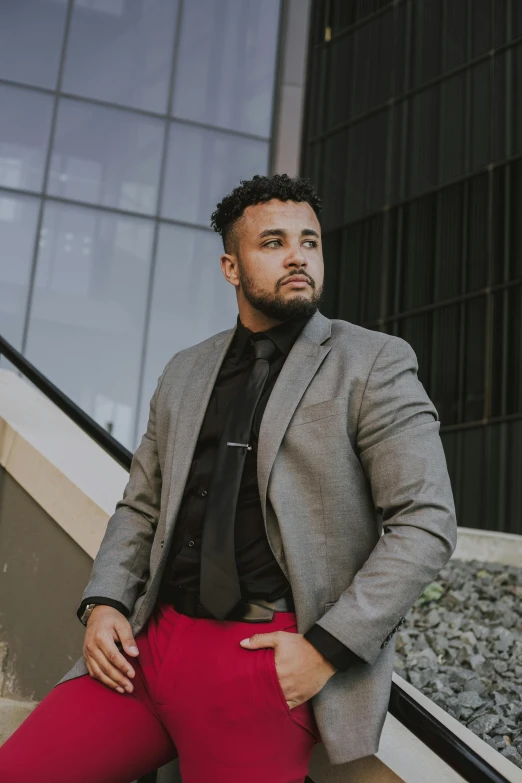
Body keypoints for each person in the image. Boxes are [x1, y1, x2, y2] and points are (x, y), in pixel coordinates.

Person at [0, 174, 457, 783]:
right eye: (273, 242)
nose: (298, 255)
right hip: (147, 649)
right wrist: (106, 601)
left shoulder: (373, 361)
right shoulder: (185, 371)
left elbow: (426, 522)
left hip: (261, 662)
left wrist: (326, 650)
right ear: (231, 267)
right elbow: (141, 505)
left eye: (309, 242)